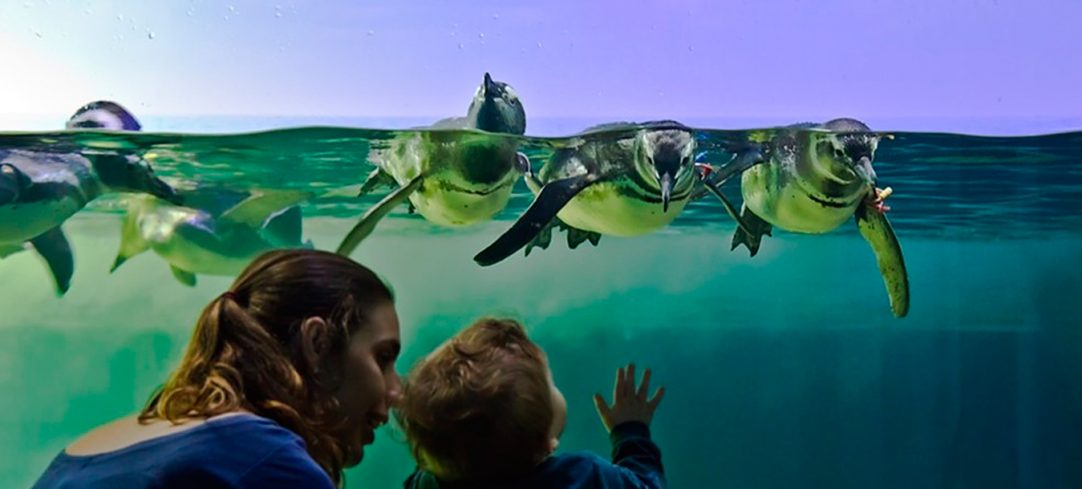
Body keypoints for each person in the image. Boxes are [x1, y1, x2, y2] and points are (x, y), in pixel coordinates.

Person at [31, 249, 403, 488]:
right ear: (317, 344)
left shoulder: (90, 447)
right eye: (382, 358)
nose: (397, 390)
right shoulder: (267, 464)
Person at [396, 317, 666, 488]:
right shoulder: (582, 477)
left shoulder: (427, 483)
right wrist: (630, 433)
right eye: (549, 384)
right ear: (548, 444)